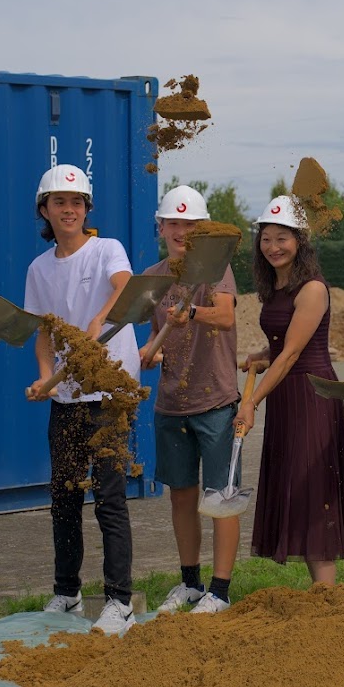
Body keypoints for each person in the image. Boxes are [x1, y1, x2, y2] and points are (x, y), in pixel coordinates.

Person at [24, 164, 138, 636]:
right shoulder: (39, 268)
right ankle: (67, 592)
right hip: (67, 399)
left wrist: (100, 322)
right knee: (64, 497)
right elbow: (44, 335)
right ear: (45, 211)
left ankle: (119, 601)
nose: (68, 210)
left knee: (110, 497)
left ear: (86, 209)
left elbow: (125, 286)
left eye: (77, 202)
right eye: (59, 203)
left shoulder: (106, 249)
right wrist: (46, 378)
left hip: (110, 393)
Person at [237, 195, 344, 584]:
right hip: (286, 396)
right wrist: (258, 354)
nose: (273, 247)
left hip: (311, 397)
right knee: (297, 487)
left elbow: (292, 354)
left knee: (313, 491)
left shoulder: (312, 289)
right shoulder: (276, 286)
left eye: (283, 238)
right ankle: (322, 596)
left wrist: (251, 402)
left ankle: (328, 599)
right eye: (267, 238)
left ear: (301, 241)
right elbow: (280, 344)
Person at [142, 185, 241, 615]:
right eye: (174, 224)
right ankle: (191, 584)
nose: (181, 231)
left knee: (220, 497)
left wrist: (195, 313)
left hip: (215, 399)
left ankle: (220, 591)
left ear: (203, 230)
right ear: (161, 226)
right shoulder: (154, 277)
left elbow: (226, 315)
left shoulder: (214, 270)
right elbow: (155, 334)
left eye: (190, 225)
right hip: (171, 403)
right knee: (181, 496)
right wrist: (152, 352)